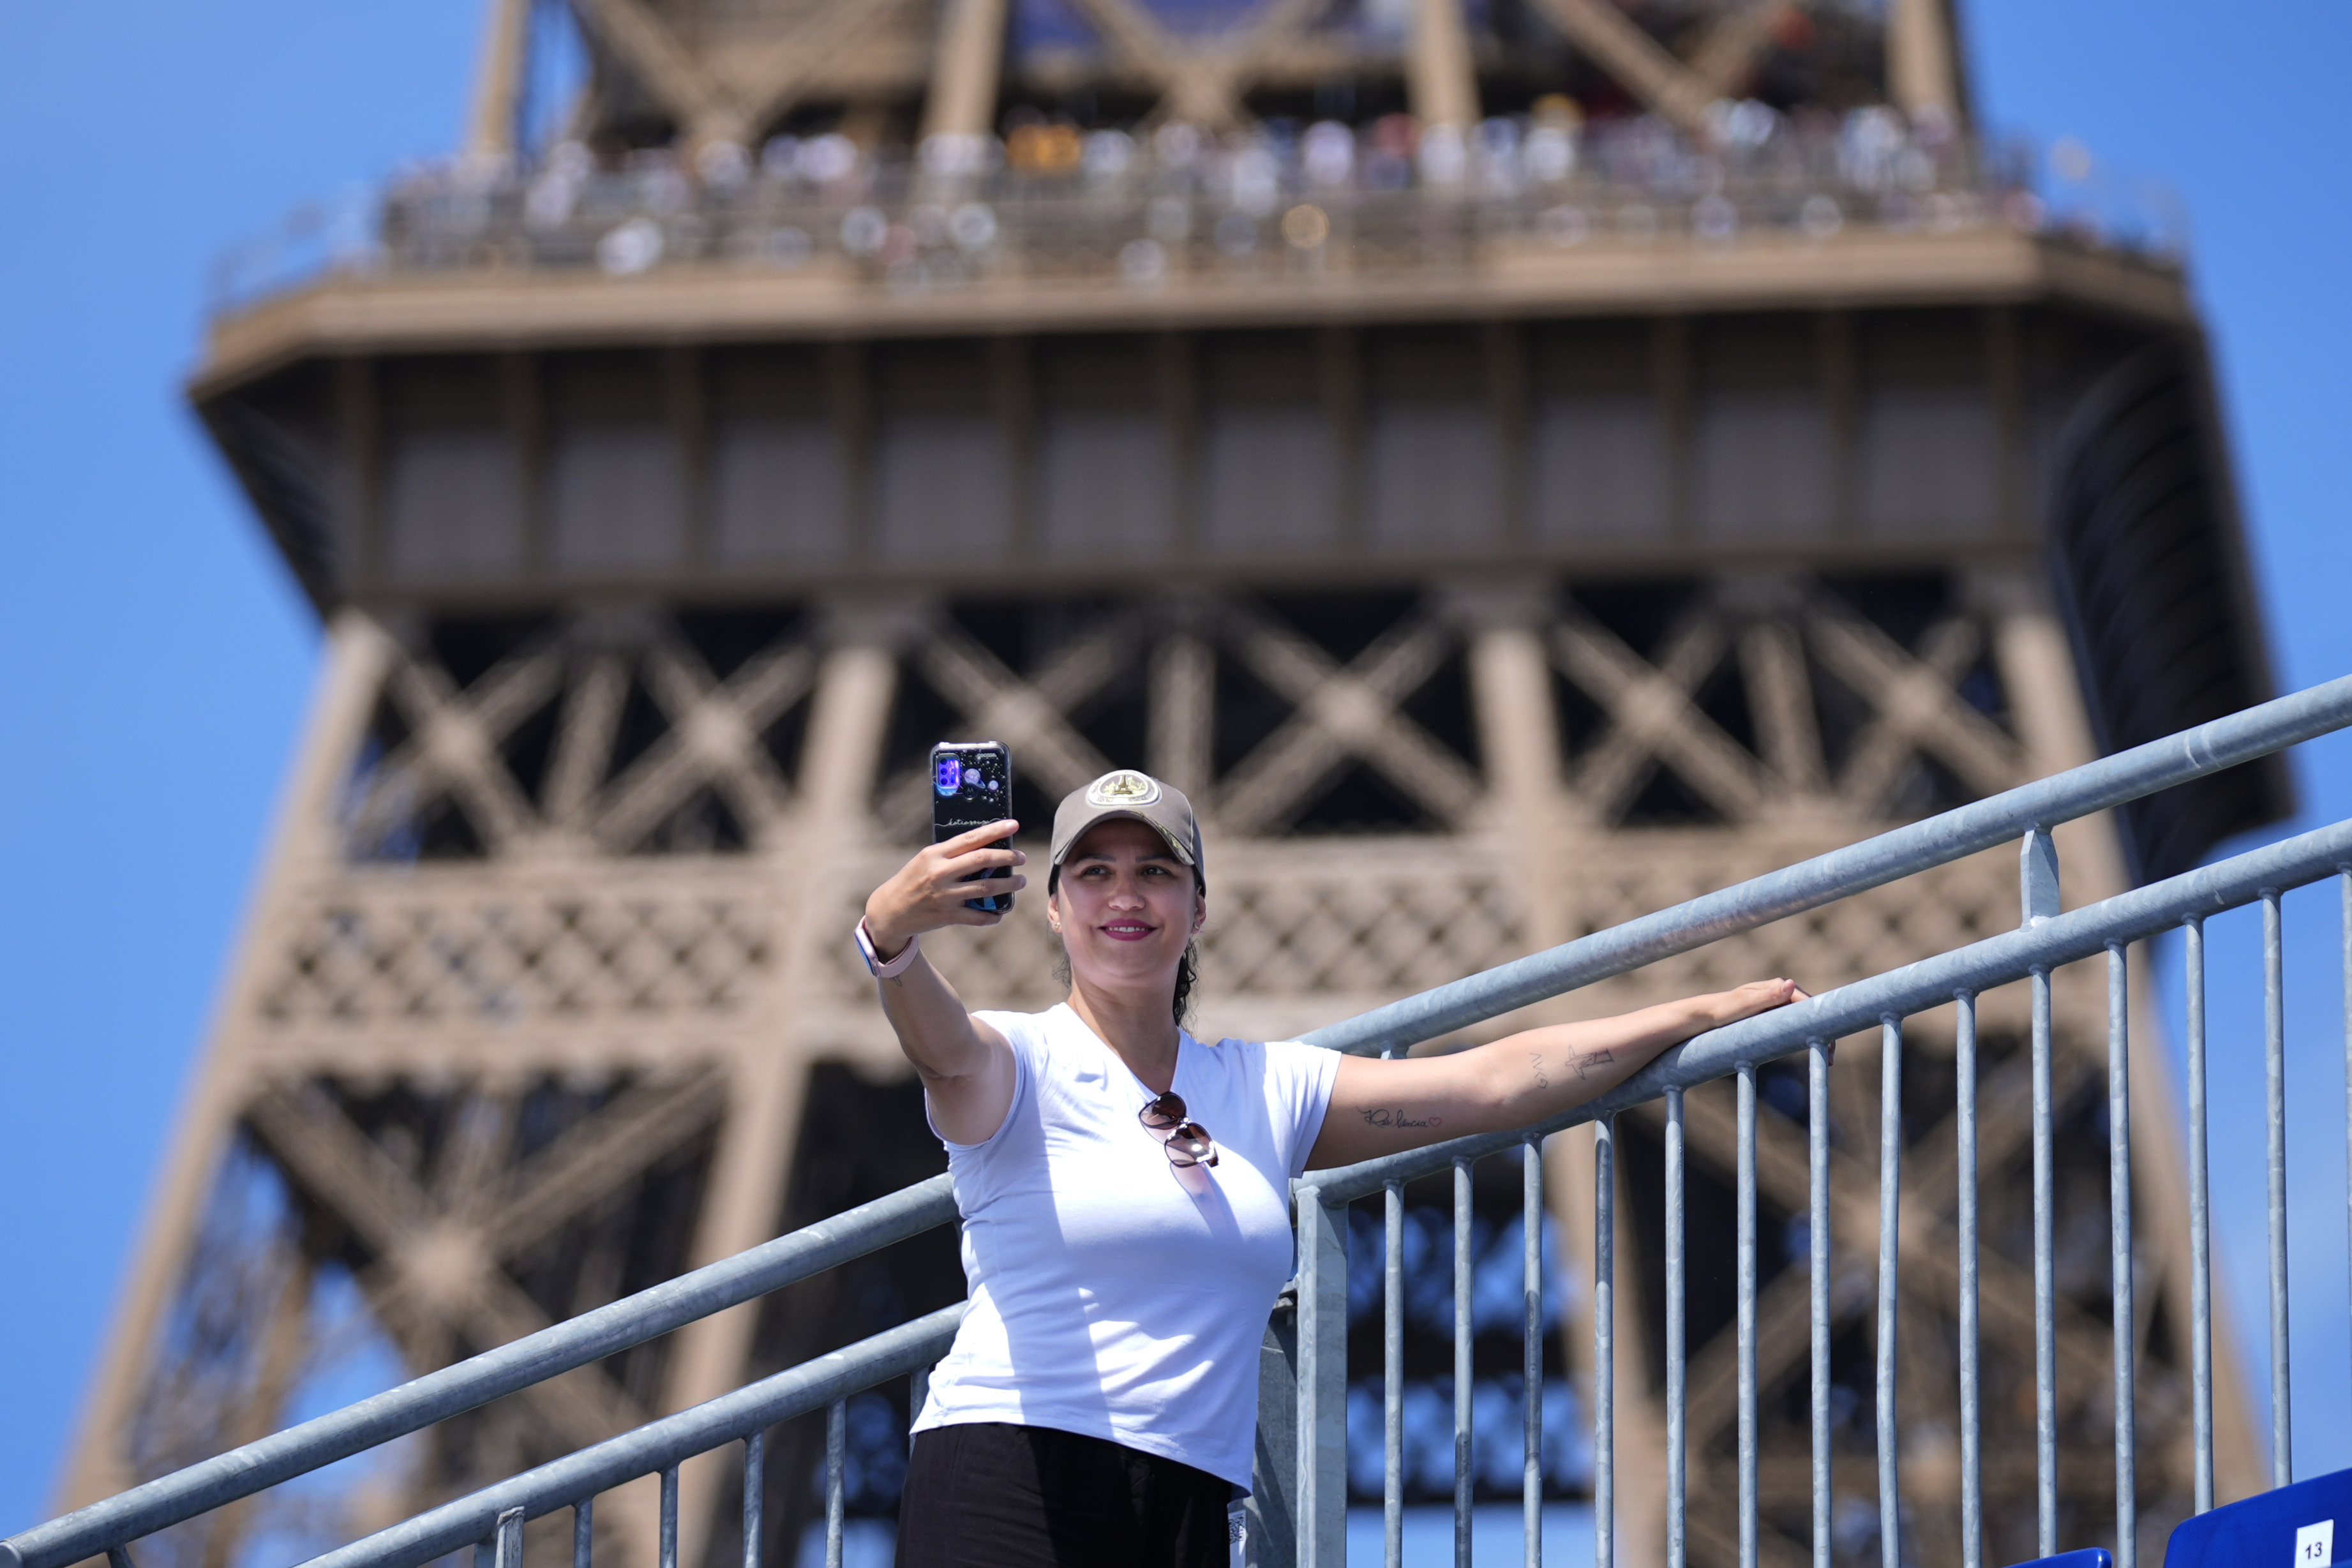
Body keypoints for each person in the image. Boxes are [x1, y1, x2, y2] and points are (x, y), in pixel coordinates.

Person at [853, 768, 1807, 1567]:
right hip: (1010, 1471)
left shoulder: (1268, 1084)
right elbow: (941, 1050)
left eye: (1155, 870)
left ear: (1197, 905)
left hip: (1185, 1495)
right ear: (1054, 907)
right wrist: (890, 941)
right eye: (1094, 872)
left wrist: (1695, 1015)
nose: (1125, 895)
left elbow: (1490, 1082)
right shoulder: (1014, 1062)